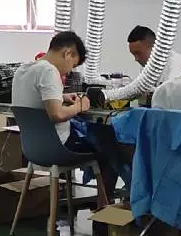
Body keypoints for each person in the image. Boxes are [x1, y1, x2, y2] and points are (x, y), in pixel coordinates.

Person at [10, 30, 117, 197]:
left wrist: (61, 96)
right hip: (59, 148)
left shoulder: (22, 70)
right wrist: (80, 106)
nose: (68, 72)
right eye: (72, 65)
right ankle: (103, 207)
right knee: (109, 149)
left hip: (32, 150)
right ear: (68, 54)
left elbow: (35, 98)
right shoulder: (49, 71)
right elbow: (57, 114)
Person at [104, 25, 181, 102]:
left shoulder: (176, 63)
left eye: (138, 53)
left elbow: (171, 96)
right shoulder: (146, 66)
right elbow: (138, 91)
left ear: (155, 47)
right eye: (133, 54)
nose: (136, 59)